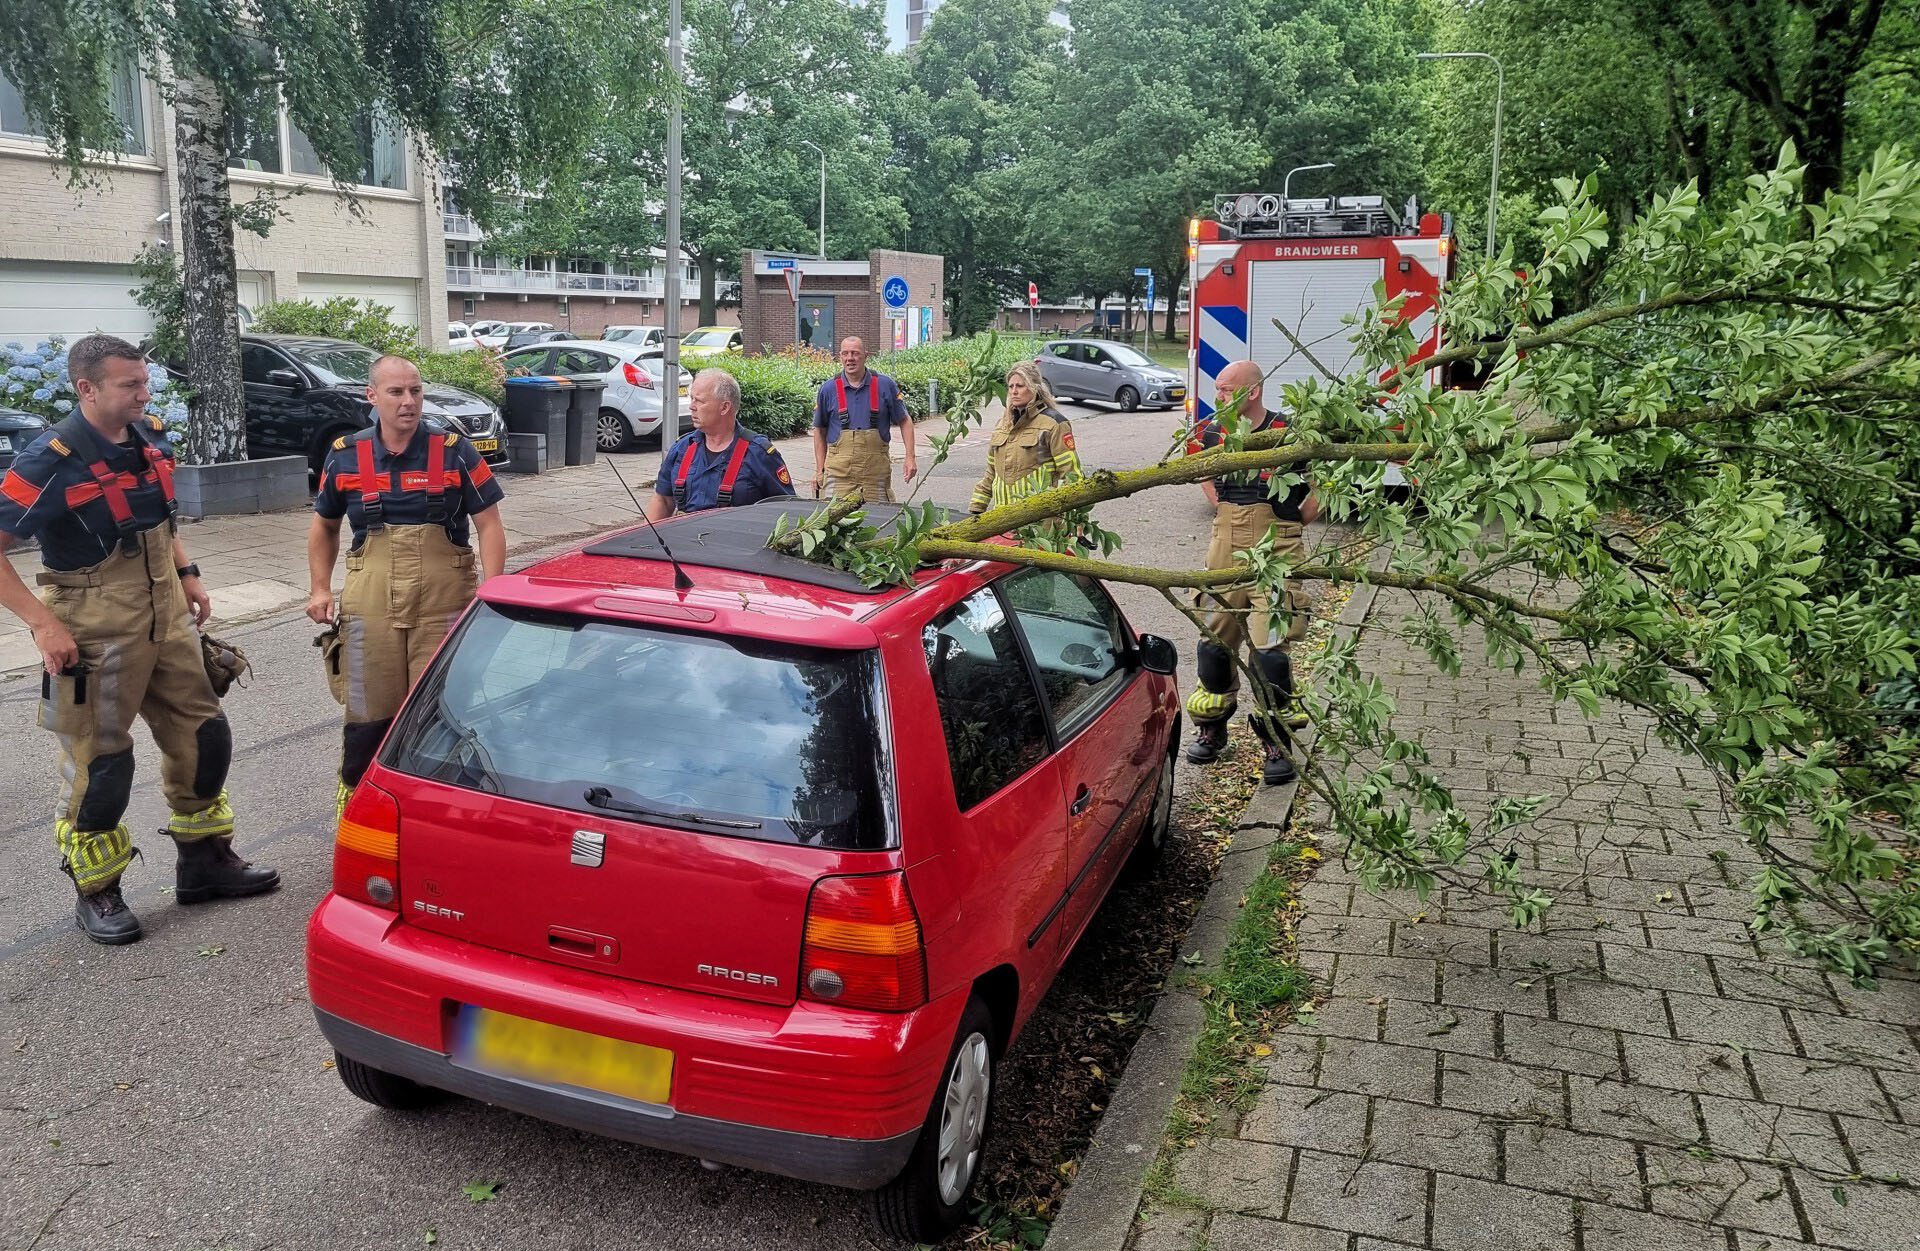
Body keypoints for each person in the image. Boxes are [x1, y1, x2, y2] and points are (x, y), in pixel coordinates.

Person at [0, 334, 276, 944]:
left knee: (204, 735)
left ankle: (204, 863)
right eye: (131, 385)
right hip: (93, 625)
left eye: (144, 382)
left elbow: (159, 518)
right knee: (102, 764)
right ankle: (97, 890)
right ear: (87, 388)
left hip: (167, 612)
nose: (144, 394)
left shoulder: (148, 436)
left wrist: (188, 573)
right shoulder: (49, 459)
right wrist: (43, 624)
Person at [308, 355, 506, 816]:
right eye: (396, 392)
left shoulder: (455, 451)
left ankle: (435, 813)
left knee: (441, 711)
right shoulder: (345, 454)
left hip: (444, 601)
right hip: (369, 602)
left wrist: (493, 592)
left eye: (415, 391)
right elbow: (324, 526)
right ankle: (359, 807)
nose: (408, 401)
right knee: (367, 712)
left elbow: (489, 524)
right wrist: (319, 588)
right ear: (372, 396)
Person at [1184, 360, 1319, 785]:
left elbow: (1323, 482)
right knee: (1214, 644)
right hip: (1225, 544)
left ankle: (1276, 741)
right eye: (1218, 388)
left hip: (1277, 546)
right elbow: (1202, 473)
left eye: (1227, 389)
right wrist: (1221, 507)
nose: (1218, 396)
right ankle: (1213, 727)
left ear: (1253, 391)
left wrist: (1294, 521)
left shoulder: (1288, 431)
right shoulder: (1212, 432)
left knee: (1270, 652)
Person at [646, 368, 797, 519]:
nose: (691, 406)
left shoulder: (759, 454)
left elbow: (787, 509)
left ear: (724, 407)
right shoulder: (681, 449)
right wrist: (647, 533)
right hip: (686, 532)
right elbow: (663, 500)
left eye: (699, 401)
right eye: (692, 399)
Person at [967, 360, 1083, 515]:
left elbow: (1071, 474)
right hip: (1002, 519)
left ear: (1035, 388)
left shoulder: (1054, 423)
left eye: (1020, 386)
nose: (1014, 391)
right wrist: (976, 508)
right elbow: (991, 472)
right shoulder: (1003, 425)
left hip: (1040, 521)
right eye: (1011, 386)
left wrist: (1077, 518)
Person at [810, 337, 916, 502]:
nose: (850, 358)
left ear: (866, 355)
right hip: (838, 474)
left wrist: (910, 457)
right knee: (832, 515)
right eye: (845, 353)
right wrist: (819, 470)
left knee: (877, 516)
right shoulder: (828, 389)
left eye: (855, 353)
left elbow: (905, 421)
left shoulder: (885, 384)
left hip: (875, 473)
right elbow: (819, 430)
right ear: (840, 356)